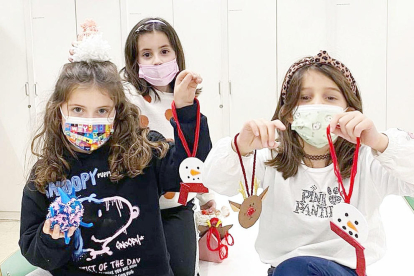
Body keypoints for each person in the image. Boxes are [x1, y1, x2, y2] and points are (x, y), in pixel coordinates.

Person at [203, 50, 414, 276]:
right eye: (305, 98)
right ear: (289, 112)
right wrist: (240, 147)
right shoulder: (269, 158)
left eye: (330, 98)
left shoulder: (367, 160)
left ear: (349, 111)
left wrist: (380, 142)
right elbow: (214, 180)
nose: (317, 105)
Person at [19, 54, 211, 274]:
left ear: (117, 112)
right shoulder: (46, 175)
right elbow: (33, 251)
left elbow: (191, 169)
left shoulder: (141, 153)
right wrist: (52, 237)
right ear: (59, 111)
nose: (90, 121)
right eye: (78, 109)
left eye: (102, 110)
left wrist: (186, 110)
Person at [120, 17, 216, 276]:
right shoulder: (127, 95)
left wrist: (206, 198)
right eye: (147, 54)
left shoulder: (185, 95)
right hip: (139, 207)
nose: (157, 61)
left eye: (164, 52)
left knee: (184, 270)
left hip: (178, 206)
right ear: (135, 60)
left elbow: (197, 155)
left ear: (176, 54)